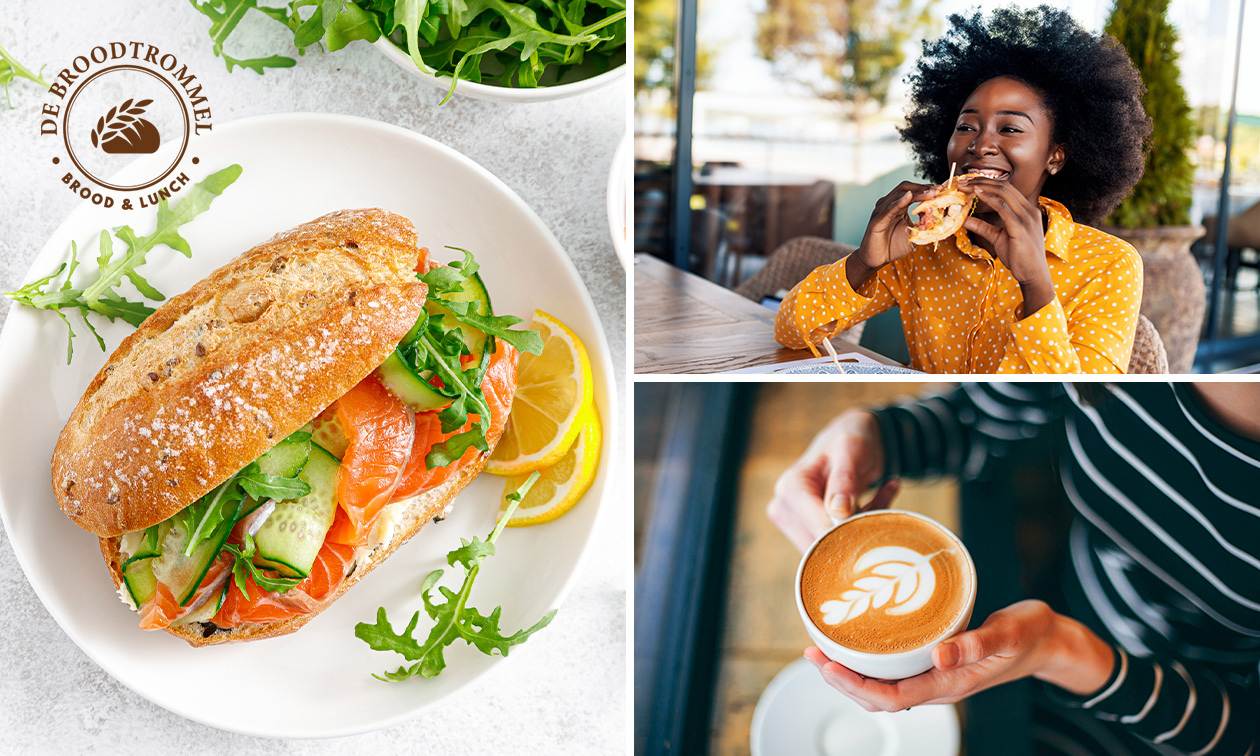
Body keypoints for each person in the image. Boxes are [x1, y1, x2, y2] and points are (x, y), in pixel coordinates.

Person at [767, 383, 1260, 755]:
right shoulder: (1114, 290)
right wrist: (878, 435)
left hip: (1187, 720)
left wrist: (1063, 652)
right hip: (1049, 610)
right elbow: (979, 415)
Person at [774, 6, 1151, 374]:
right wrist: (863, 262)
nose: (981, 144)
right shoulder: (922, 243)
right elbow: (791, 332)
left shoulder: (1109, 264)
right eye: (967, 126)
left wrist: (1036, 284)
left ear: (1055, 156)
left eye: (1010, 129)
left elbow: (1075, 404)